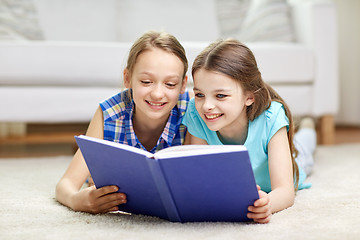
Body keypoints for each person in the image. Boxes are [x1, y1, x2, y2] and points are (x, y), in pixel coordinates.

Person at [182, 39, 316, 224]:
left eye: (220, 95)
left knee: (304, 151)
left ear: (249, 97)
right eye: (199, 95)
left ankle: (308, 127)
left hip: (292, 160)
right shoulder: (196, 114)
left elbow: (285, 191)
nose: (207, 106)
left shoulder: (271, 117)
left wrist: (267, 204)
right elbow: (199, 177)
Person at [56, 31, 190, 214]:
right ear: (128, 79)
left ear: (183, 85)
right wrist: (76, 200)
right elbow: (65, 185)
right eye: (146, 81)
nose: (158, 94)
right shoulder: (108, 114)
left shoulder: (191, 113)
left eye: (170, 84)